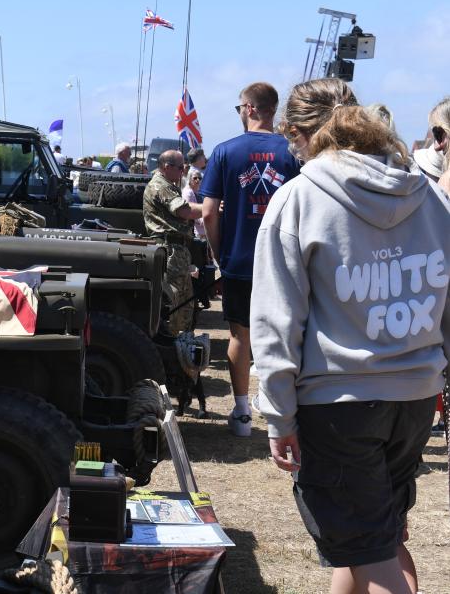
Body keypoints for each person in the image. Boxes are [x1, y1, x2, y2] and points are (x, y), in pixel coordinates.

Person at [251, 77, 449, 594]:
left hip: (339, 404)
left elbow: (276, 321)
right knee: (365, 545)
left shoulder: (297, 200)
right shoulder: (427, 197)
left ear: (298, 134)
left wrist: (279, 415)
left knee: (374, 554)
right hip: (413, 398)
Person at [200, 81, 301, 437]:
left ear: (251, 108)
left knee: (239, 336)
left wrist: (218, 253)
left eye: (240, 107)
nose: (240, 113)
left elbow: (209, 212)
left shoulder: (225, 151)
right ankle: (279, 409)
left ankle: (242, 412)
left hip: (240, 259)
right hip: (285, 260)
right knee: (286, 335)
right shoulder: (292, 153)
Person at [143, 149, 203, 334]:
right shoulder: (161, 185)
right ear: (166, 167)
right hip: (170, 249)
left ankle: (179, 345)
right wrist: (211, 208)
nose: (183, 172)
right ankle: (171, 348)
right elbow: (184, 211)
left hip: (177, 249)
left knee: (185, 303)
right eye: (180, 168)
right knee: (174, 304)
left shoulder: (168, 183)